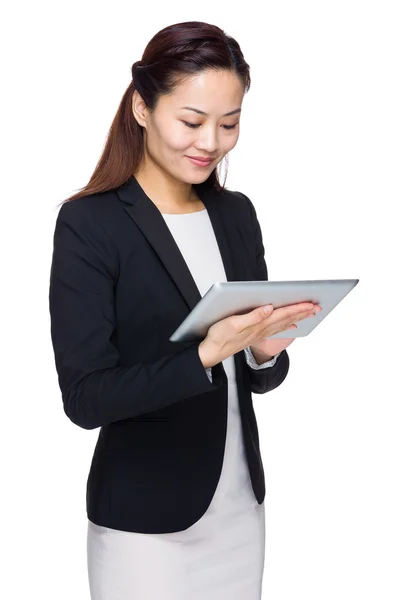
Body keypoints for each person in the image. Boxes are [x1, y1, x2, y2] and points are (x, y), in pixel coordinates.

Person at [48, 20, 321, 600]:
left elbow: (256, 377)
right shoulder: (90, 226)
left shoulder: (237, 215)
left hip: (239, 512)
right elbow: (85, 397)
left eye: (230, 123)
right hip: (145, 529)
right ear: (142, 107)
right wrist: (204, 355)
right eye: (192, 122)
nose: (211, 143)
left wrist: (263, 353)